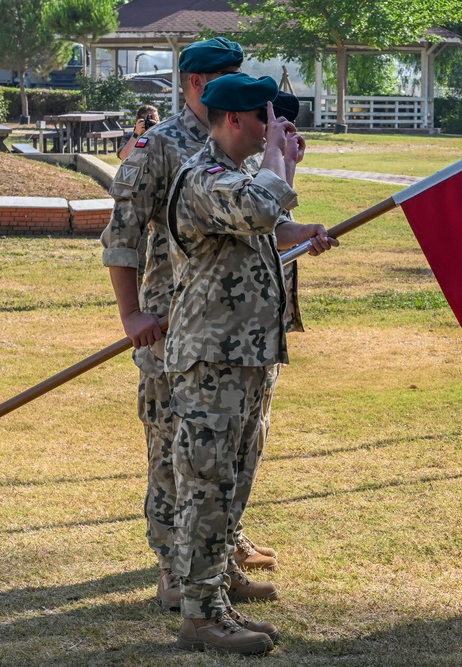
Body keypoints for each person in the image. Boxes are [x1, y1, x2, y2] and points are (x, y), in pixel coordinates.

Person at [100, 36, 280, 614]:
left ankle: (216, 559)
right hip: (172, 324)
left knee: (231, 447)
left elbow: (252, 219)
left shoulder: (233, 140)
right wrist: (131, 314)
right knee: (173, 446)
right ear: (200, 84)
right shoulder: (160, 146)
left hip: (235, 328)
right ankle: (174, 568)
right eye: (229, 79)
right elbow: (122, 237)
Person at [165, 72, 337, 655]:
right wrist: (281, 167)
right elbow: (258, 205)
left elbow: (261, 223)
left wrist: (300, 227)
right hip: (211, 362)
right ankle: (198, 614)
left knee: (229, 487)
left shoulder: (236, 180)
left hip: (244, 360)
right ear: (235, 120)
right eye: (267, 120)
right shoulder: (203, 177)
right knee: (206, 490)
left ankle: (216, 602)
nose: (277, 131)